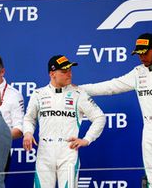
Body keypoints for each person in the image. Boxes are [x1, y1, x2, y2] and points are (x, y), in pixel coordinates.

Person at [80, 33, 152, 187]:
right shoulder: (138, 72)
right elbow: (111, 86)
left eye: (145, 52)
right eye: (139, 53)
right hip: (149, 130)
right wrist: (79, 89)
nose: (141, 57)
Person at [23, 55, 106, 188]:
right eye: (64, 71)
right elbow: (29, 118)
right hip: (45, 151)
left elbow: (99, 117)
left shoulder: (78, 94)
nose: (69, 74)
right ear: (52, 73)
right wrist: (27, 133)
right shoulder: (38, 94)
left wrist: (87, 139)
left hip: (68, 151)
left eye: (70, 70)